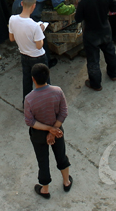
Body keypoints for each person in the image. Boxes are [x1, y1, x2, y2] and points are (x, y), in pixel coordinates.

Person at [25, 63, 72, 199]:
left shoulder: (29, 99)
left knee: (43, 161)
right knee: (61, 155)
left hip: (38, 135)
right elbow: (63, 112)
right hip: (58, 130)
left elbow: (30, 121)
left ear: (33, 79)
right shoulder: (57, 91)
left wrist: (47, 130)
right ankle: (66, 182)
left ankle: (45, 189)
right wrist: (53, 130)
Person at [75, 0, 116, 91]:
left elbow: (78, 19)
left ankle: (95, 84)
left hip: (91, 35)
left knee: (93, 60)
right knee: (110, 53)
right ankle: (113, 74)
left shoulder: (83, 2)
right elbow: (115, 8)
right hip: (105, 30)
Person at [9, 0, 51, 101]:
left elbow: (12, 38)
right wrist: (41, 31)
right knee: (44, 82)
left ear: (22, 3)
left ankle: (26, 103)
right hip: (38, 57)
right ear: (34, 6)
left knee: (27, 80)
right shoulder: (35, 26)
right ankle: (47, 103)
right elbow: (39, 46)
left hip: (24, 55)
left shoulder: (12, 19)